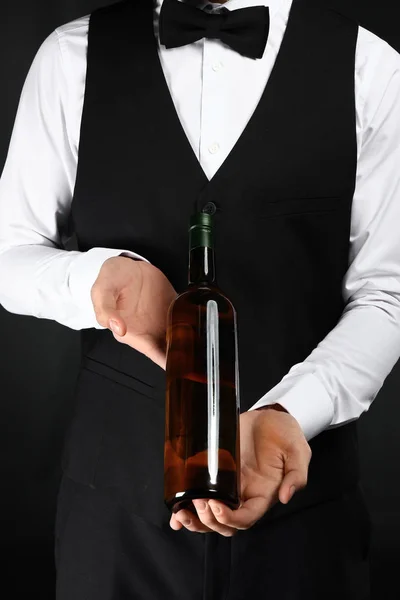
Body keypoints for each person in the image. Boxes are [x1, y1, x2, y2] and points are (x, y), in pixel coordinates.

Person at [1, 0, 400, 597]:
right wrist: (96, 281)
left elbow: (387, 294)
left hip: (306, 522)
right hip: (113, 521)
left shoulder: (371, 68)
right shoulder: (69, 56)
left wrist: (292, 412)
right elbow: (9, 252)